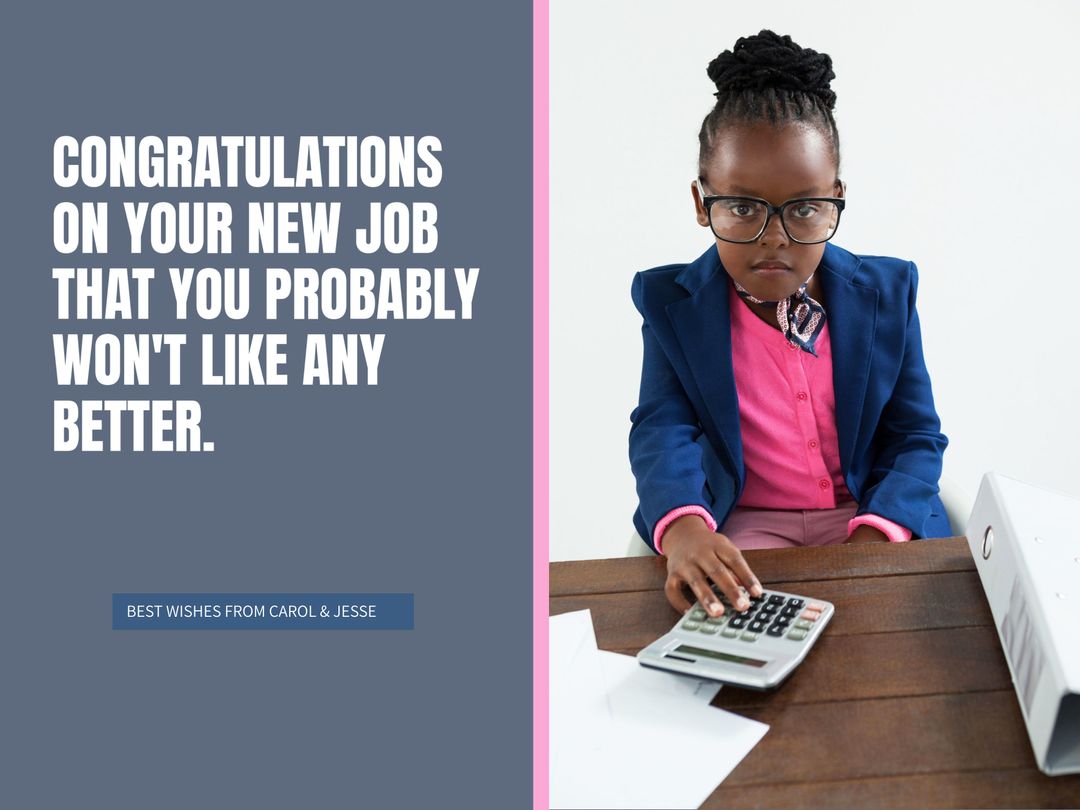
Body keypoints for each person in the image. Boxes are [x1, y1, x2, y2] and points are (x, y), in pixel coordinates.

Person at [628, 29, 950, 618]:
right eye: (742, 206)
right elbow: (660, 430)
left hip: (869, 519)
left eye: (805, 208)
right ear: (702, 203)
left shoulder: (889, 291)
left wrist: (872, 540)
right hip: (747, 528)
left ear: (837, 198)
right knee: (732, 645)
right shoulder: (670, 302)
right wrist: (683, 531)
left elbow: (915, 437)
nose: (773, 237)